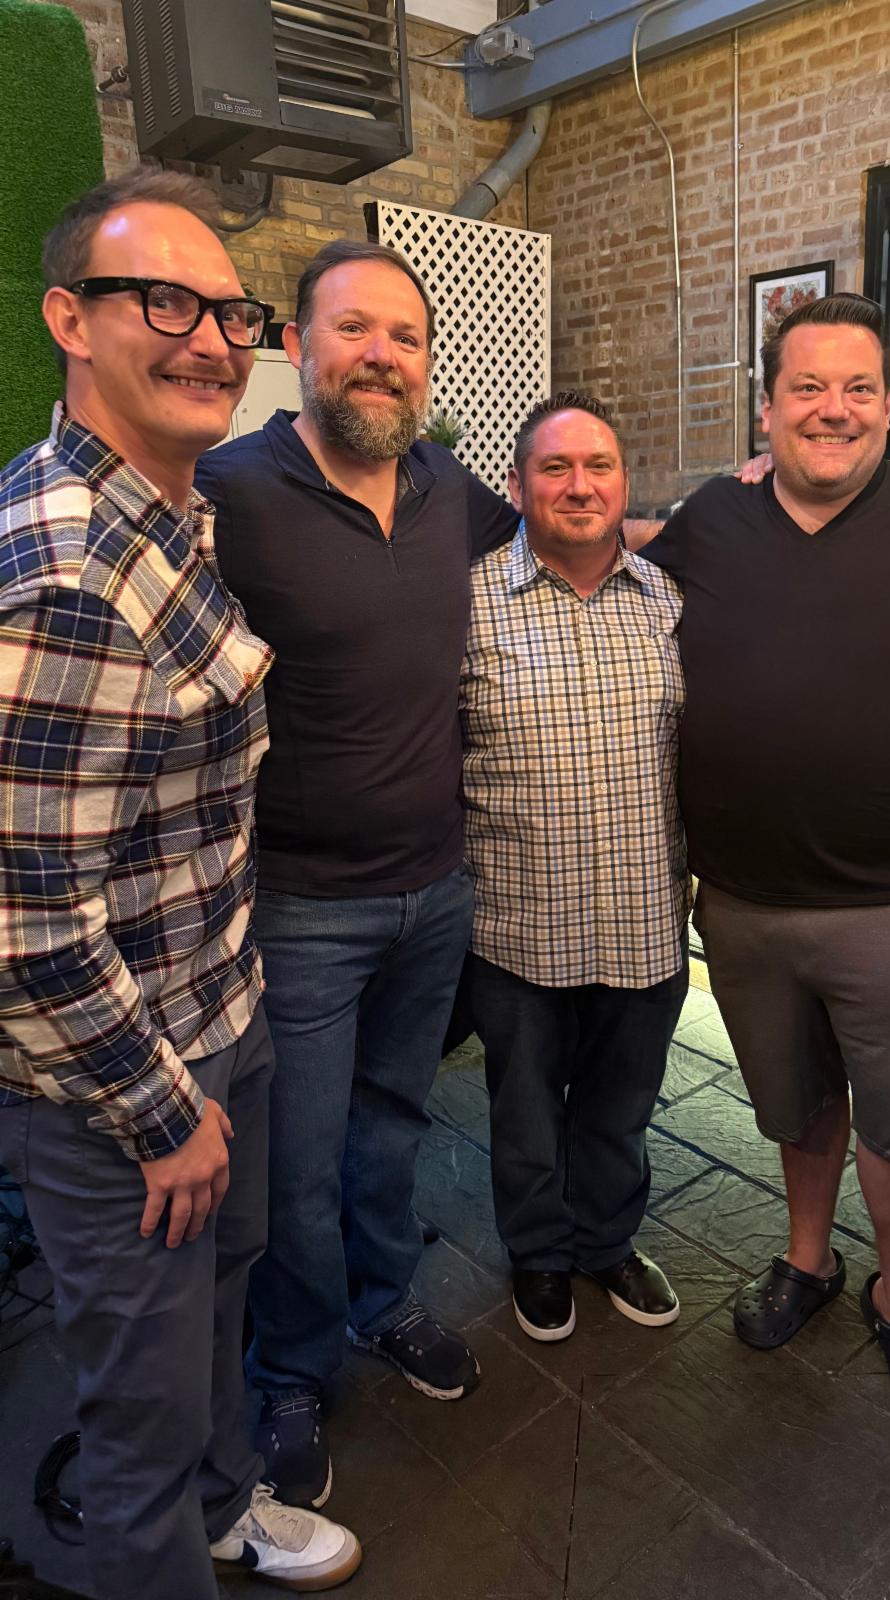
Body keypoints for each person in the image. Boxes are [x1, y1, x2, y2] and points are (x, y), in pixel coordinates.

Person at [0, 171, 359, 1600]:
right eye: (165, 302)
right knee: (139, 1424)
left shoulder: (171, 509)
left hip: (218, 1009)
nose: (211, 339)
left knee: (220, 1307)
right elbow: (23, 920)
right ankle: (173, 1541)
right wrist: (160, 1117)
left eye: (228, 311)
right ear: (68, 320)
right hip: (121, 1087)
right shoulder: (65, 571)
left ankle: (225, 1510)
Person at [640, 294, 890, 1435]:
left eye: (859, 388)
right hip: (746, 904)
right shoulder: (714, 516)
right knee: (796, 1104)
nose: (834, 409)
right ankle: (807, 1259)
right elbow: (622, 565)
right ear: (767, 409)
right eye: (807, 387)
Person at [195, 240, 521, 1508]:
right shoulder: (231, 487)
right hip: (297, 903)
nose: (381, 355)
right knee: (296, 1160)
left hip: (434, 888)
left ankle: (383, 1302)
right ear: (297, 347)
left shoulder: (447, 487)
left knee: (392, 1124)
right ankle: (288, 1369)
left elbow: (569, 525)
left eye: (404, 335)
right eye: (353, 329)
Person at [459, 392, 688, 1342]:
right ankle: (540, 1252)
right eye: (555, 467)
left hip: (643, 914)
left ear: (626, 484)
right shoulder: (467, 602)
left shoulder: (668, 602)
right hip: (518, 920)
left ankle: (605, 1241)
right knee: (523, 1112)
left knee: (621, 1107)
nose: (579, 485)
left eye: (599, 466)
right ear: (517, 487)